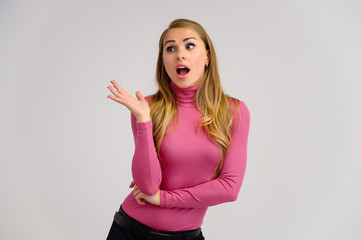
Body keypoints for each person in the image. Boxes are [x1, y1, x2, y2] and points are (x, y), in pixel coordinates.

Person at [106, 18, 250, 240]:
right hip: (130, 232)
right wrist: (144, 119)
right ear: (163, 61)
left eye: (189, 45)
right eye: (170, 48)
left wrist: (164, 198)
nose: (179, 54)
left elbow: (229, 188)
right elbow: (147, 185)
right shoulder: (147, 107)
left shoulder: (235, 112)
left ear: (207, 56)